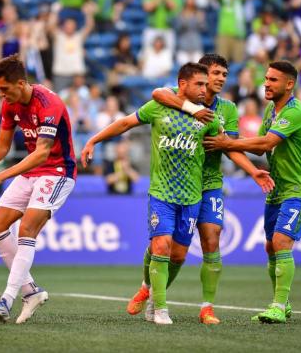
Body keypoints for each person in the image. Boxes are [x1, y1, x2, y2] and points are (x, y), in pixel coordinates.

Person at [126, 54, 275, 325]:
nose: (219, 79)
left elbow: (230, 146)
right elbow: (157, 93)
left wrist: (252, 169)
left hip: (209, 185)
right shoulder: (174, 96)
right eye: (215, 73)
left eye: (223, 75)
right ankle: (149, 289)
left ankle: (207, 307)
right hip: (175, 183)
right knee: (164, 246)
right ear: (201, 76)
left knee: (211, 240)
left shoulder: (227, 109)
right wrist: (191, 108)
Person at [81, 63, 221, 325]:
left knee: (178, 256)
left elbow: (224, 144)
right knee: (160, 245)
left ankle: (150, 291)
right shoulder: (159, 106)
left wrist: (251, 167)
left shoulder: (208, 117)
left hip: (192, 196)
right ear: (182, 84)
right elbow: (124, 123)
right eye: (199, 84)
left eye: (206, 84)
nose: (205, 89)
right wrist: (93, 140)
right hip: (162, 192)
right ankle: (161, 309)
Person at [203, 61, 301, 324]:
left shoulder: (296, 111)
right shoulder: (270, 109)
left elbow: (267, 142)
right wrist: (231, 144)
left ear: (289, 84)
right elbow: (257, 149)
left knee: (280, 242)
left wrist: (228, 142)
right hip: (277, 189)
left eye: (273, 80)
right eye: (266, 78)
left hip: (299, 189)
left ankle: (278, 305)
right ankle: (283, 303)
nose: (266, 83)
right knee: (270, 247)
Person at [0, 54, 77, 324]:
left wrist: (0, 177)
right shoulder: (10, 104)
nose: (1, 95)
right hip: (32, 172)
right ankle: (31, 291)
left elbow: (42, 153)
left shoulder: (49, 103)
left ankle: (7, 300)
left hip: (57, 172)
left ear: (20, 83)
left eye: (4, 89)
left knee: (26, 229)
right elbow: (3, 145)